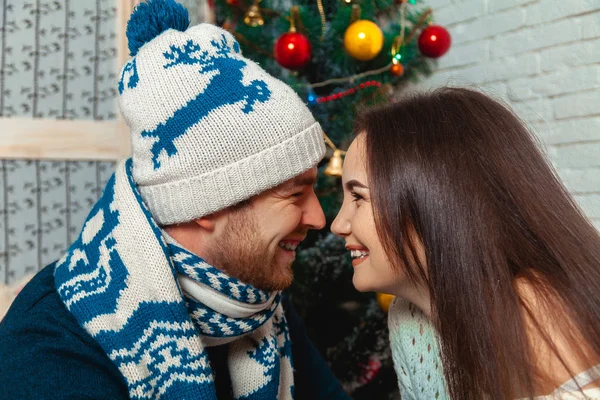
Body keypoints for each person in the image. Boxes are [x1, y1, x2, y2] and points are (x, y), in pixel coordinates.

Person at [0, 1, 351, 399]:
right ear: (207, 204)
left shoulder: (253, 299)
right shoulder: (50, 349)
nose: (320, 218)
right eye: (294, 193)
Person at [331, 87, 600, 399]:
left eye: (358, 197)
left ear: (436, 201)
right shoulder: (409, 319)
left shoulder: (531, 306)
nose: (338, 224)